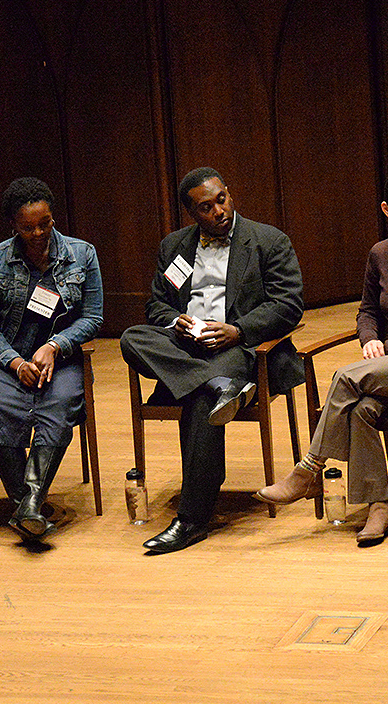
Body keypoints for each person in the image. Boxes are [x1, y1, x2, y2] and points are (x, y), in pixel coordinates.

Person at [256, 171, 388, 546]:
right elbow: (368, 310)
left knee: (345, 377)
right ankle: (380, 507)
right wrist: (370, 339)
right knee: (360, 409)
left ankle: (309, 471)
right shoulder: (380, 254)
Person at [120, 167, 305, 554]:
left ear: (229, 194)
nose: (218, 211)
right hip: (184, 345)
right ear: (193, 213)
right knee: (132, 338)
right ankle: (215, 383)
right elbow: (156, 303)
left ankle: (191, 520)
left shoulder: (268, 241)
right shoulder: (174, 246)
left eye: (221, 199)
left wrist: (237, 330)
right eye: (206, 207)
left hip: (237, 347)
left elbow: (288, 305)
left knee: (201, 401)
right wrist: (176, 321)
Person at [0, 177, 104, 539]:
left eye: (45, 223)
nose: (38, 232)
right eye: (28, 227)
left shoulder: (81, 254)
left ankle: (28, 505)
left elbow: (93, 317)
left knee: (61, 403)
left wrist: (56, 345)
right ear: (13, 225)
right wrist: (16, 363)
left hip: (59, 356)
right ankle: (28, 503)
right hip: (0, 359)